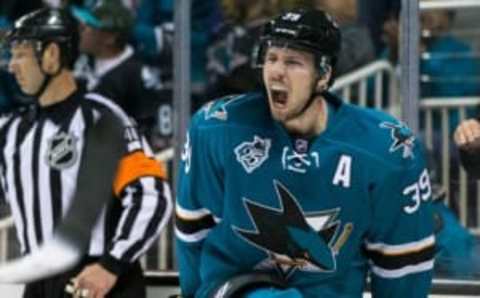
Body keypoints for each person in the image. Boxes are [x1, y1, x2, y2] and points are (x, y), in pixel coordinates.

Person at [175, 8, 435, 298]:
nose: (276, 71)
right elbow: (192, 232)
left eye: (293, 62)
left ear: (323, 76)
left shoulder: (385, 151)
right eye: (271, 58)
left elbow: (403, 266)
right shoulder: (217, 129)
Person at [2, 7, 172, 298]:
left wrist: (111, 265)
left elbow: (151, 196)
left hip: (99, 280)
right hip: (40, 283)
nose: (11, 66)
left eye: (21, 54)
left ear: (52, 55)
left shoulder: (102, 119)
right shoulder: (12, 132)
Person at [72, 0, 172, 150]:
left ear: (109, 38)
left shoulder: (137, 76)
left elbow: (155, 133)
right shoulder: (83, 61)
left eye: (89, 26)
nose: (81, 29)